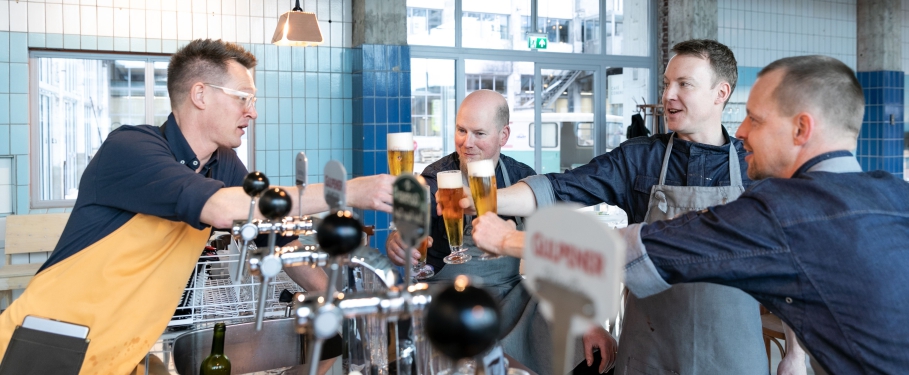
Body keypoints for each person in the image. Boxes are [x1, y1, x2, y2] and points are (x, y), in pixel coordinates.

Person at [474, 55, 909, 374]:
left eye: (756, 120)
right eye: (667, 84)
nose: (742, 131)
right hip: (652, 345)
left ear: (802, 128)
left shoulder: (781, 209)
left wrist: (510, 241)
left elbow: (626, 252)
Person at [0, 39, 394, 375]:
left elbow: (281, 240)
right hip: (51, 345)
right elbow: (221, 208)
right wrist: (343, 192)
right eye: (244, 98)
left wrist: (346, 309)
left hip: (122, 354)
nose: (252, 112)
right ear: (200, 94)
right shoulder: (130, 148)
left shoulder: (221, 163)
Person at [472, 39, 799, 374]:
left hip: (731, 353)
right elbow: (560, 187)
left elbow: (788, 267)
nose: (669, 94)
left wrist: (795, 354)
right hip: (650, 349)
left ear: (721, 93)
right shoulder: (639, 158)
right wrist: (482, 198)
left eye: (684, 84)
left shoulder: (756, 166)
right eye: (667, 83)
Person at [386, 89, 616, 374]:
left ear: (503, 136)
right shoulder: (435, 179)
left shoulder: (522, 180)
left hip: (510, 299)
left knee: (583, 346)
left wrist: (589, 323)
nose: (466, 143)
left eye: (479, 133)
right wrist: (398, 244)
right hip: (445, 299)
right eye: (461, 130)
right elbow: (404, 238)